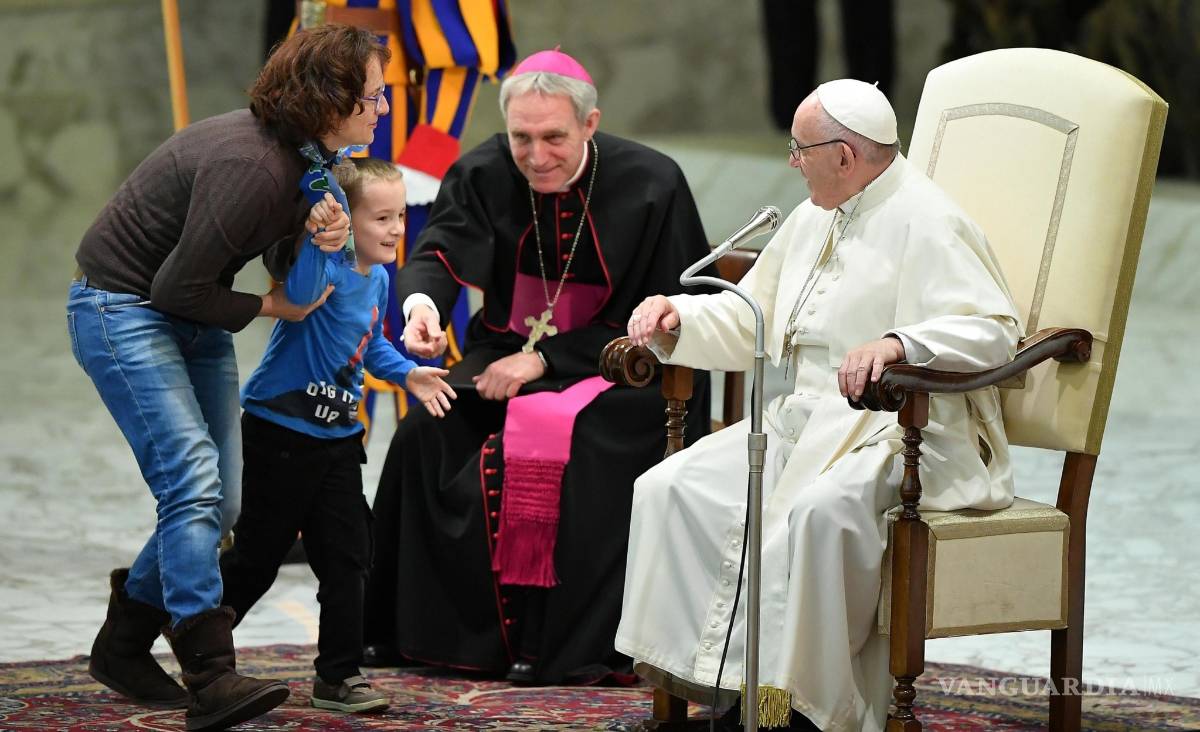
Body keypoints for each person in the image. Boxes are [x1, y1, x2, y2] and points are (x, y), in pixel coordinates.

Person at [617, 80, 1022, 731]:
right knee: (672, 486)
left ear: (844, 155)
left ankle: (802, 713)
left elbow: (995, 330)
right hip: (805, 424)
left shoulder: (931, 219)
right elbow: (758, 317)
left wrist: (901, 342)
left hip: (903, 433)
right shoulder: (815, 216)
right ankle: (725, 692)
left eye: (800, 149)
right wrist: (677, 319)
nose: (791, 162)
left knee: (816, 514)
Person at [68, 24, 389, 731]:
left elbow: (257, 247)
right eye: (372, 96)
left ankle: (122, 644)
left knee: (223, 503)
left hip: (190, 305)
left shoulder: (310, 159)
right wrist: (275, 304)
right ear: (328, 99)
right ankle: (211, 674)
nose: (383, 108)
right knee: (192, 482)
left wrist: (314, 235)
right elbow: (173, 288)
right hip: (124, 306)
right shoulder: (252, 162)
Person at [361, 48, 716, 685]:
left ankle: (552, 645)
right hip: (503, 357)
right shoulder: (483, 171)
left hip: (620, 372)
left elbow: (678, 318)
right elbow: (438, 254)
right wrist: (421, 309)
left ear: (589, 123)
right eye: (522, 137)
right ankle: (411, 634)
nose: (536, 155)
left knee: (566, 450)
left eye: (554, 136)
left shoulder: (652, 182)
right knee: (423, 435)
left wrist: (547, 358)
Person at [219, 158, 457, 715]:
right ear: (346, 222)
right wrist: (322, 232)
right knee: (258, 554)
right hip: (280, 429)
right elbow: (299, 296)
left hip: (337, 438)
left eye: (400, 215)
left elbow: (369, 344)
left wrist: (407, 373)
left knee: (350, 556)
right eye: (382, 218)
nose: (398, 228)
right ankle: (199, 637)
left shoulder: (376, 277)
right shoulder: (322, 268)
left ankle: (338, 675)